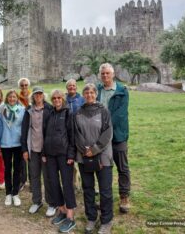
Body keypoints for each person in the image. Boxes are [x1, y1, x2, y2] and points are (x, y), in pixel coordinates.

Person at [75, 83, 113, 234]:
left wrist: (95, 149)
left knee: (105, 190)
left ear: (96, 94)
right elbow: (76, 134)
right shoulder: (78, 113)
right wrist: (86, 149)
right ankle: (91, 218)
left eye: (92, 92)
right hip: (84, 156)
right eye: (86, 92)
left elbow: (108, 132)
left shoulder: (104, 111)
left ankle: (106, 221)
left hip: (103, 156)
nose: (89, 95)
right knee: (88, 189)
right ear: (83, 95)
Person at [97, 63, 131, 214]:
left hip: (118, 135)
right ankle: (106, 198)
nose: (105, 76)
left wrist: (103, 127)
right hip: (101, 137)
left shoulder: (122, 91)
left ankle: (124, 197)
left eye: (107, 73)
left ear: (113, 74)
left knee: (122, 167)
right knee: (104, 167)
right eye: (102, 74)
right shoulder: (97, 90)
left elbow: (120, 114)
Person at [43, 90, 76, 233]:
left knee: (67, 183)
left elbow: (72, 135)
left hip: (64, 155)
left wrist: (71, 154)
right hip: (50, 155)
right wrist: (44, 152)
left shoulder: (68, 113)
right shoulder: (50, 114)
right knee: (53, 183)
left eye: (59, 98)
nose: (56, 100)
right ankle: (61, 210)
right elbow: (45, 134)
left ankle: (70, 217)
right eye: (54, 98)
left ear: (63, 99)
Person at [21, 86, 56, 217]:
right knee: (34, 176)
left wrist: (48, 150)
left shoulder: (49, 109)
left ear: (43, 95)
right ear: (33, 96)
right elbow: (24, 131)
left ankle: (51, 203)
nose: (38, 96)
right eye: (36, 94)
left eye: (40, 94)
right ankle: (36, 201)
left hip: (46, 150)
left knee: (48, 177)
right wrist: (24, 149)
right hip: (33, 150)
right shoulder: (28, 110)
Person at [0, 89, 25, 207]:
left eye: (14, 97)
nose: (12, 99)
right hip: (5, 143)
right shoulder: (2, 109)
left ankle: (15, 194)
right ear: (7, 98)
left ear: (17, 98)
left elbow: (24, 127)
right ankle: (8, 193)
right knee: (7, 169)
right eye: (10, 97)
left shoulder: (22, 110)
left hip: (18, 143)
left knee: (17, 169)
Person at [17, 77, 31, 190]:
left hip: (31, 128)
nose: (24, 87)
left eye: (26, 85)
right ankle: (22, 180)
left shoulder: (33, 96)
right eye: (22, 85)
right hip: (20, 128)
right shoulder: (17, 98)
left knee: (31, 156)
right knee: (22, 155)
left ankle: (33, 181)